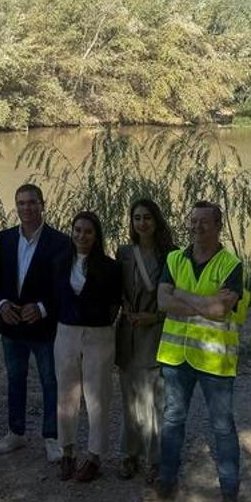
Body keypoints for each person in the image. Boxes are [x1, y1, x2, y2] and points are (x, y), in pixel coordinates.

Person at [156, 200, 251, 502]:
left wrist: (182, 295)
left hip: (214, 360)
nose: (197, 228)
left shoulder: (231, 265)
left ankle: (230, 497)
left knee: (223, 427)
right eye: (193, 221)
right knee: (172, 420)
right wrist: (199, 302)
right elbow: (162, 302)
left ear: (217, 226)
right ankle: (166, 484)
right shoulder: (173, 258)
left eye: (204, 223)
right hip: (176, 356)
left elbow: (218, 311)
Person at [0, 183, 70, 461]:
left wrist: (43, 308)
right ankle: (16, 432)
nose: (27, 208)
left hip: (45, 327)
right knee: (15, 378)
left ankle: (52, 436)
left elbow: (64, 287)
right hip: (11, 324)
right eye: (21, 203)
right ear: (16, 206)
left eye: (32, 202)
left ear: (42, 204)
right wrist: (0, 305)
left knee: (50, 380)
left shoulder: (60, 242)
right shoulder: (4, 239)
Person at [52, 211, 122, 482]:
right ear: (72, 232)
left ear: (97, 235)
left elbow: (116, 302)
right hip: (66, 332)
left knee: (98, 397)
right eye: (77, 230)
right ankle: (67, 451)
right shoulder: (59, 262)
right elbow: (54, 296)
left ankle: (94, 456)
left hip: (99, 335)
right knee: (66, 396)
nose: (82, 236)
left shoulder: (111, 267)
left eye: (88, 231)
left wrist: (103, 323)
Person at [116, 198, 173, 483]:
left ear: (156, 221)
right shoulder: (124, 253)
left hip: (157, 333)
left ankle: (156, 460)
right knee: (130, 399)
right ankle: (130, 454)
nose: (142, 223)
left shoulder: (171, 256)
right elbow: (118, 290)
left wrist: (154, 317)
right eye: (137, 218)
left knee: (155, 402)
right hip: (128, 334)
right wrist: (125, 308)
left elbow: (175, 299)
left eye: (147, 217)